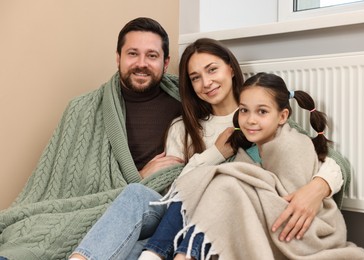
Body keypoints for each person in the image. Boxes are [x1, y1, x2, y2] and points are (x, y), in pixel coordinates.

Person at [137, 40, 346, 260]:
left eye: (212, 69)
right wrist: (216, 153)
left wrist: (317, 187)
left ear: (230, 68)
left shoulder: (264, 119)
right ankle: (154, 255)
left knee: (222, 186)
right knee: (213, 186)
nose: (206, 82)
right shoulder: (183, 128)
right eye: (195, 77)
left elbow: (328, 159)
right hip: (195, 219)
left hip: (253, 217)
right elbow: (180, 189)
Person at [0, 17, 184, 260]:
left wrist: (147, 183)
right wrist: (140, 176)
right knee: (30, 239)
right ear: (118, 57)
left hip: (156, 206)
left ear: (166, 61)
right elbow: (59, 187)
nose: (141, 64)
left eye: (151, 55)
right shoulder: (82, 108)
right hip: (111, 207)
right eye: (132, 54)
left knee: (135, 198)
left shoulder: (188, 103)